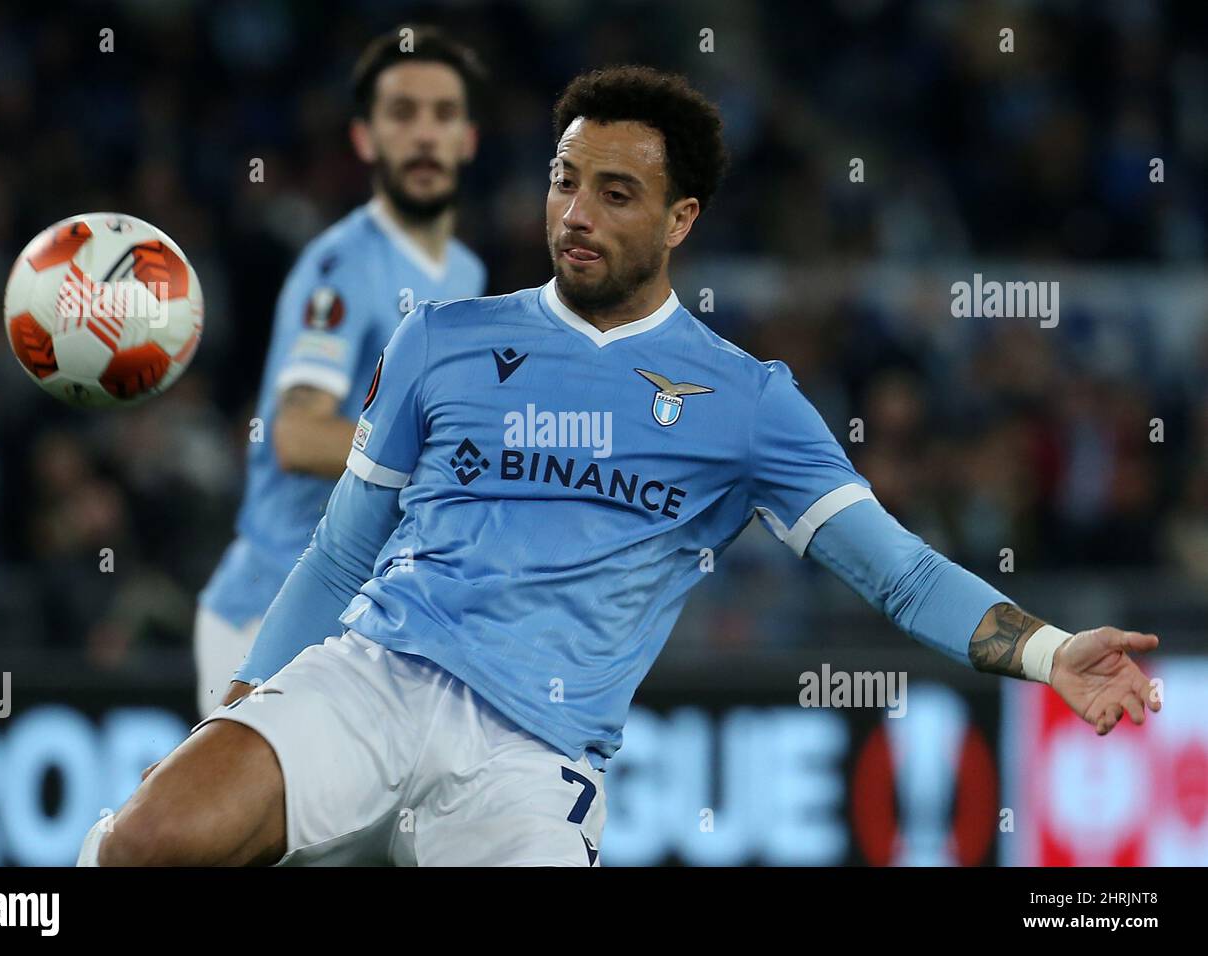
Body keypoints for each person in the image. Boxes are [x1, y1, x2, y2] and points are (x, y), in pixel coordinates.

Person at [83, 66, 1160, 867]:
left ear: (680, 217)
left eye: (613, 191)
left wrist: (1052, 651)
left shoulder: (747, 401)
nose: (576, 214)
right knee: (149, 839)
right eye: (563, 182)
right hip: (379, 673)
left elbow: (900, 572)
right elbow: (338, 552)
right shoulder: (439, 338)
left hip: (535, 755)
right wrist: (232, 709)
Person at [194, 27, 487, 714]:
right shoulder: (341, 270)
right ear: (365, 139)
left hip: (377, 622)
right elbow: (296, 436)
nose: (424, 135)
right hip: (270, 614)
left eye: (444, 115)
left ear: (469, 139)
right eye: (402, 113)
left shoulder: (467, 273)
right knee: (226, 826)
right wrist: (449, 463)